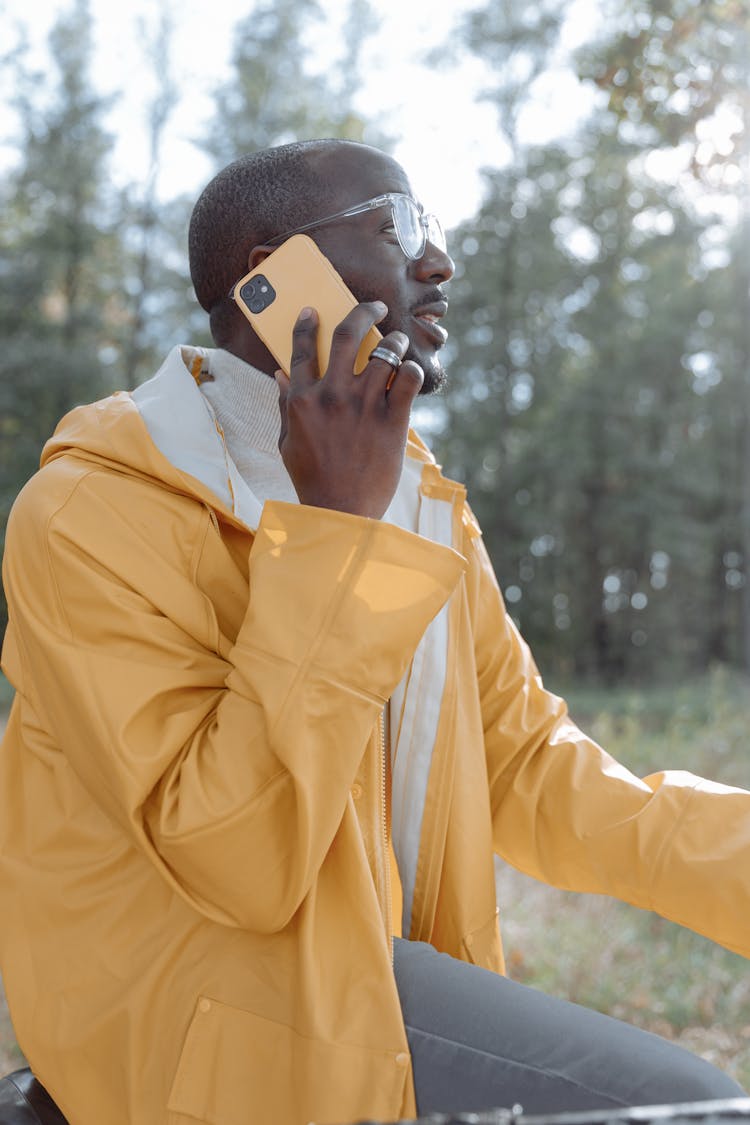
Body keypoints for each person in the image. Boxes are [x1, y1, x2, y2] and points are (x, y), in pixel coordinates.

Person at [0, 138, 748, 1125]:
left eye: (437, 234)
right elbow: (234, 859)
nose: (439, 263)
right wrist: (337, 530)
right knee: (687, 1106)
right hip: (196, 1021)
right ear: (273, 273)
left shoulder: (423, 503)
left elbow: (532, 768)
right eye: (399, 227)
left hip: (366, 979)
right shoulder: (91, 511)